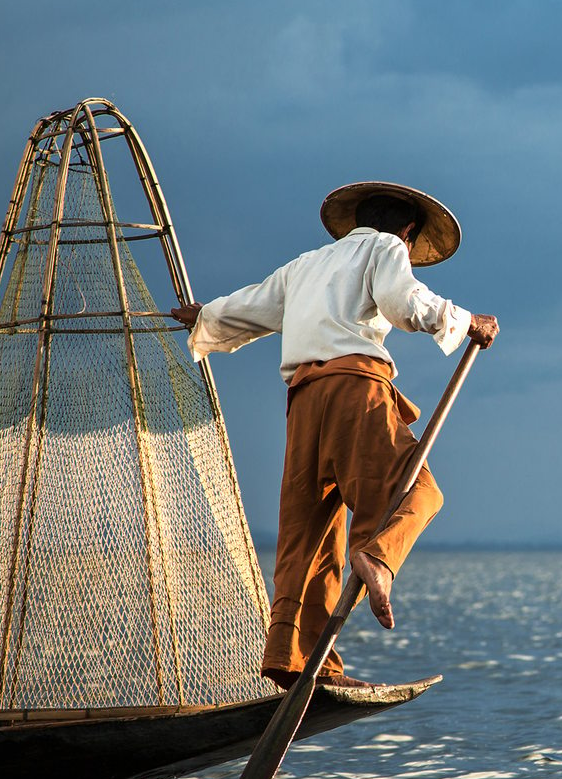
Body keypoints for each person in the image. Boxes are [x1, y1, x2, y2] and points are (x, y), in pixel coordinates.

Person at [172, 181, 498, 689]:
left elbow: (253, 306)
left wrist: (205, 315)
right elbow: (401, 300)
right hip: (353, 390)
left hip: (304, 406)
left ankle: (300, 661)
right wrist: (463, 321)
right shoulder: (385, 247)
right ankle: (378, 555)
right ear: (407, 232)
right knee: (419, 492)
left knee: (310, 536)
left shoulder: (305, 265)